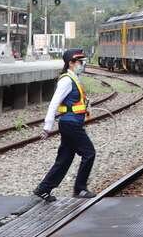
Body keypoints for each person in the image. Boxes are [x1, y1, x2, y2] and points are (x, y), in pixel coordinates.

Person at [34, 48, 96, 201]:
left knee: (65, 158)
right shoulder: (66, 80)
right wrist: (47, 127)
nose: (82, 65)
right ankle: (80, 189)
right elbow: (53, 104)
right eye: (79, 62)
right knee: (89, 153)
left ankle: (43, 189)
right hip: (70, 125)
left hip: (71, 124)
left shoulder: (73, 78)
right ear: (71, 63)